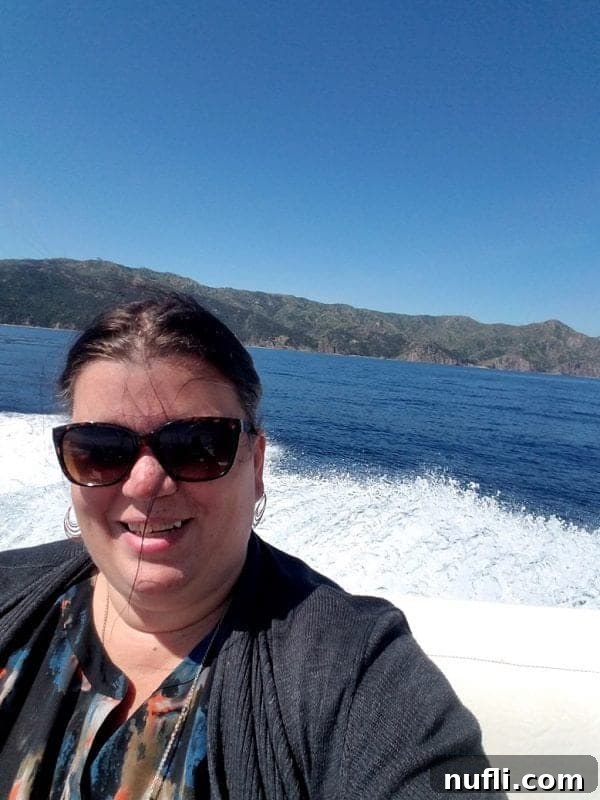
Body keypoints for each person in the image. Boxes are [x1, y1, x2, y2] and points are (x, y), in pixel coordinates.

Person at [0, 292, 504, 799]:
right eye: (102, 451)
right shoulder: (9, 596)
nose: (145, 483)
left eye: (198, 446)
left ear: (257, 465)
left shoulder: (357, 673)